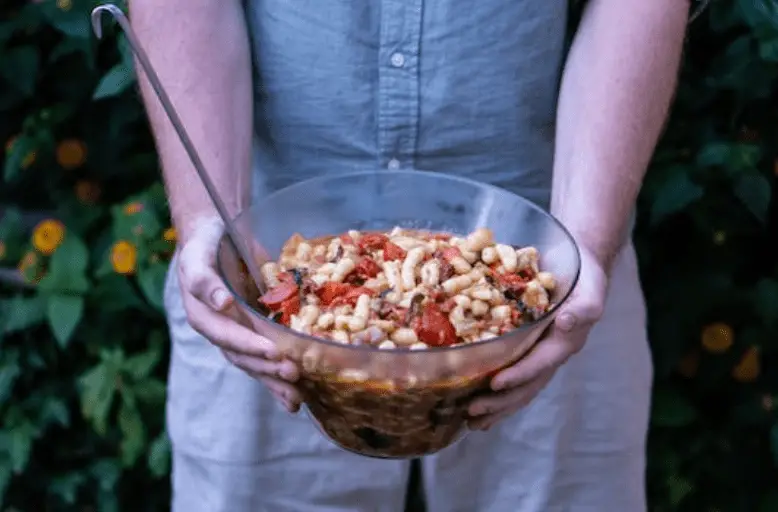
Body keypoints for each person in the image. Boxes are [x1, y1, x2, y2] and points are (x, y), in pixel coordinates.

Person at [132, 0, 690, 510]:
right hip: (263, 281)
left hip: (547, 262)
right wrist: (209, 220)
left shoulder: (561, 267)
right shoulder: (256, 276)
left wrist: (585, 244)